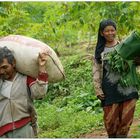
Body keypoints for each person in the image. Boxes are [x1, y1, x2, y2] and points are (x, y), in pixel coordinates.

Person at [93, 19, 139, 138]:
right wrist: (98, 89)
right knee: (110, 124)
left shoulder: (125, 47)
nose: (110, 33)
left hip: (128, 89)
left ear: (115, 31)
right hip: (109, 91)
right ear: (102, 33)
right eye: (106, 31)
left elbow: (136, 62)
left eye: (112, 30)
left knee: (125, 123)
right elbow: (96, 71)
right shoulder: (100, 51)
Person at [0, 46, 48, 138]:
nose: (1, 71)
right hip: (2, 132)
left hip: (24, 127)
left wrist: (42, 68)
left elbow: (39, 94)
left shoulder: (25, 78)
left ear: (13, 63)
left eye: (4, 67)